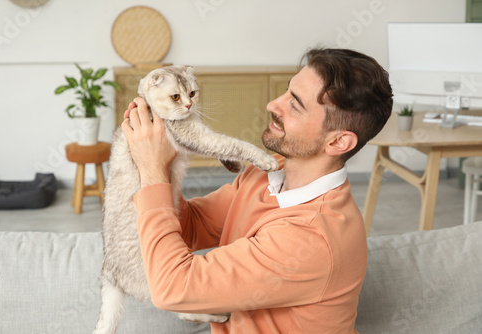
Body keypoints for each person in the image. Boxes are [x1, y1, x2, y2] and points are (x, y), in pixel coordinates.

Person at [121, 47, 393, 333]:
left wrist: (152, 170)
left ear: (338, 143)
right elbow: (192, 226)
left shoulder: (311, 237)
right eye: (288, 91)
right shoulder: (269, 171)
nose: (273, 104)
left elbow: (171, 289)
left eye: (295, 104)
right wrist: (158, 159)